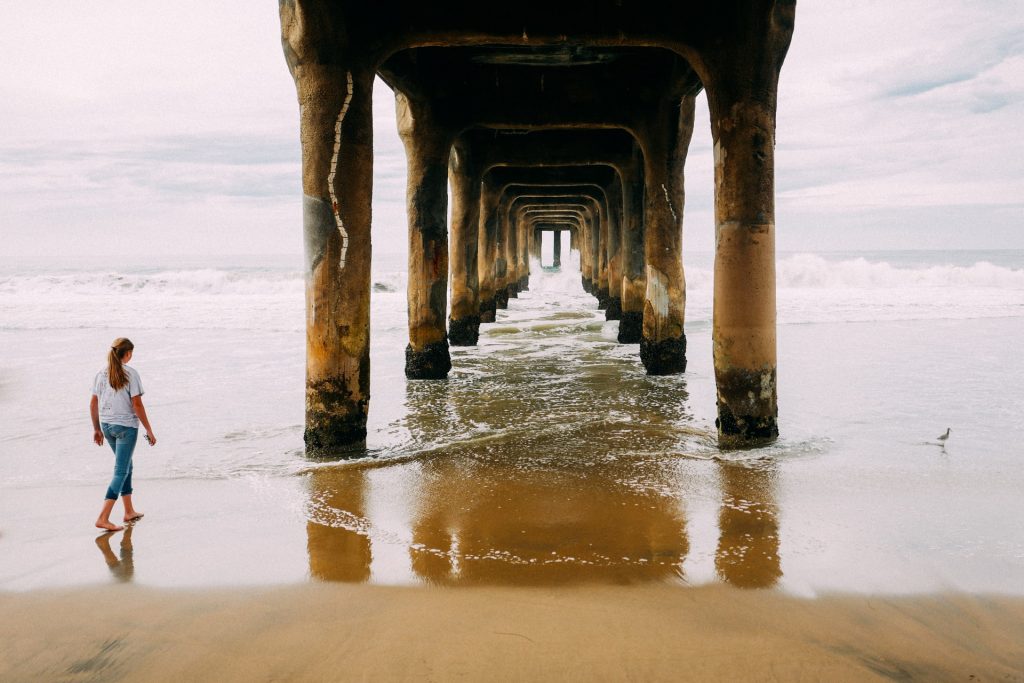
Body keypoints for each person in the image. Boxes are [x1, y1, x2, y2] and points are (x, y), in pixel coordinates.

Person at [89, 337, 156, 532]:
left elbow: (93, 403)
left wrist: (96, 428)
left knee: (127, 466)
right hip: (125, 428)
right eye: (131, 353)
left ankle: (128, 511)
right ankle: (103, 517)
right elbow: (137, 404)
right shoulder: (131, 374)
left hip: (107, 426)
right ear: (127, 354)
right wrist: (149, 429)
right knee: (120, 470)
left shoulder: (100, 374)